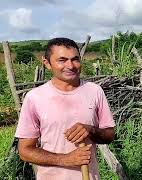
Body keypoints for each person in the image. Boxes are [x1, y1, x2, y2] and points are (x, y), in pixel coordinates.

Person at [15, 37, 115, 180]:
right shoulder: (35, 98)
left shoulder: (94, 91)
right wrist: (66, 159)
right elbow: (25, 151)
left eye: (75, 59)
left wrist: (90, 130)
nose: (71, 65)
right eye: (62, 60)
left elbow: (109, 135)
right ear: (47, 63)